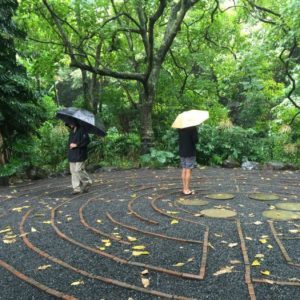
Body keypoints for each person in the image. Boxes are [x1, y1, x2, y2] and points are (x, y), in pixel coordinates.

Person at [66, 119, 92, 194]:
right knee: (73, 172)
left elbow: (86, 141)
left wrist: (76, 145)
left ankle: (87, 182)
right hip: (72, 154)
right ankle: (76, 188)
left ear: (75, 122)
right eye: (69, 124)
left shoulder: (82, 130)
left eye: (71, 123)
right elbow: (70, 142)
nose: (70, 125)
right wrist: (70, 145)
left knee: (78, 170)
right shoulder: (72, 131)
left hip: (80, 153)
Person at [178, 126, 198, 195]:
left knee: (184, 168)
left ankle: (184, 188)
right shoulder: (193, 127)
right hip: (190, 151)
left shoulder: (180, 127)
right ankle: (187, 189)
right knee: (188, 169)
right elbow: (195, 140)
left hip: (182, 151)